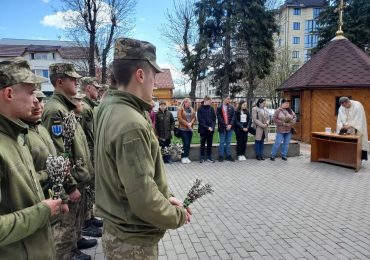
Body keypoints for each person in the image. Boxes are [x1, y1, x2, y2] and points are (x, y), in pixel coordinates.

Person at [94, 37, 191, 260]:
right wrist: (176, 215)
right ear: (140, 75)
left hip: (118, 229)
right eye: (153, 76)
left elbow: (130, 178)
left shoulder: (108, 107)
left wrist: (167, 197)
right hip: (133, 242)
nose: (154, 84)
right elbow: (143, 198)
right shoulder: (131, 122)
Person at [0, 57, 62, 259]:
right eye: (30, 92)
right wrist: (42, 212)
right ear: (9, 93)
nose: (36, 99)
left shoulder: (17, 135)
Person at [42, 63, 93, 260]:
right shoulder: (55, 111)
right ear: (60, 82)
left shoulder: (66, 107)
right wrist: (69, 185)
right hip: (69, 179)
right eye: (73, 79)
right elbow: (57, 152)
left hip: (77, 175)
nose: (77, 81)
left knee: (75, 220)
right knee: (66, 224)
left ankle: (74, 246)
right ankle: (66, 254)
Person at [79, 77, 104, 232]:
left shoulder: (90, 106)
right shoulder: (83, 107)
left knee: (90, 188)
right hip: (88, 154)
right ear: (88, 88)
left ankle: (90, 217)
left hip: (92, 152)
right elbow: (83, 135)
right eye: (96, 88)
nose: (98, 91)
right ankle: (86, 223)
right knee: (87, 188)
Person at [197, 95, 216, 163]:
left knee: (209, 144)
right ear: (205, 101)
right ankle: (202, 157)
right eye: (209, 101)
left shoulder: (211, 109)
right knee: (202, 144)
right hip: (203, 130)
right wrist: (207, 127)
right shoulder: (200, 109)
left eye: (210, 101)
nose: (210, 102)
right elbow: (200, 120)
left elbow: (214, 119)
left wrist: (212, 127)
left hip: (211, 130)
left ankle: (209, 157)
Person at [216, 96, 235, 162]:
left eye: (229, 99)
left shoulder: (231, 107)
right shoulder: (219, 107)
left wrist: (230, 125)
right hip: (222, 128)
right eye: (228, 99)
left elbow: (233, 117)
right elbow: (219, 118)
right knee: (222, 142)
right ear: (224, 99)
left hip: (230, 127)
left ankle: (228, 156)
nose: (229, 100)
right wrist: (225, 125)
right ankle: (221, 156)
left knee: (228, 142)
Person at [178, 97, 196, 164]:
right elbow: (180, 118)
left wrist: (191, 123)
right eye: (189, 103)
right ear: (185, 102)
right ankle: (183, 157)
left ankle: (186, 157)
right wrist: (187, 124)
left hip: (190, 129)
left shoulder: (191, 109)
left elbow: (194, 117)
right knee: (186, 143)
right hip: (183, 129)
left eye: (190, 103)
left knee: (188, 144)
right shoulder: (180, 109)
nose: (190, 104)